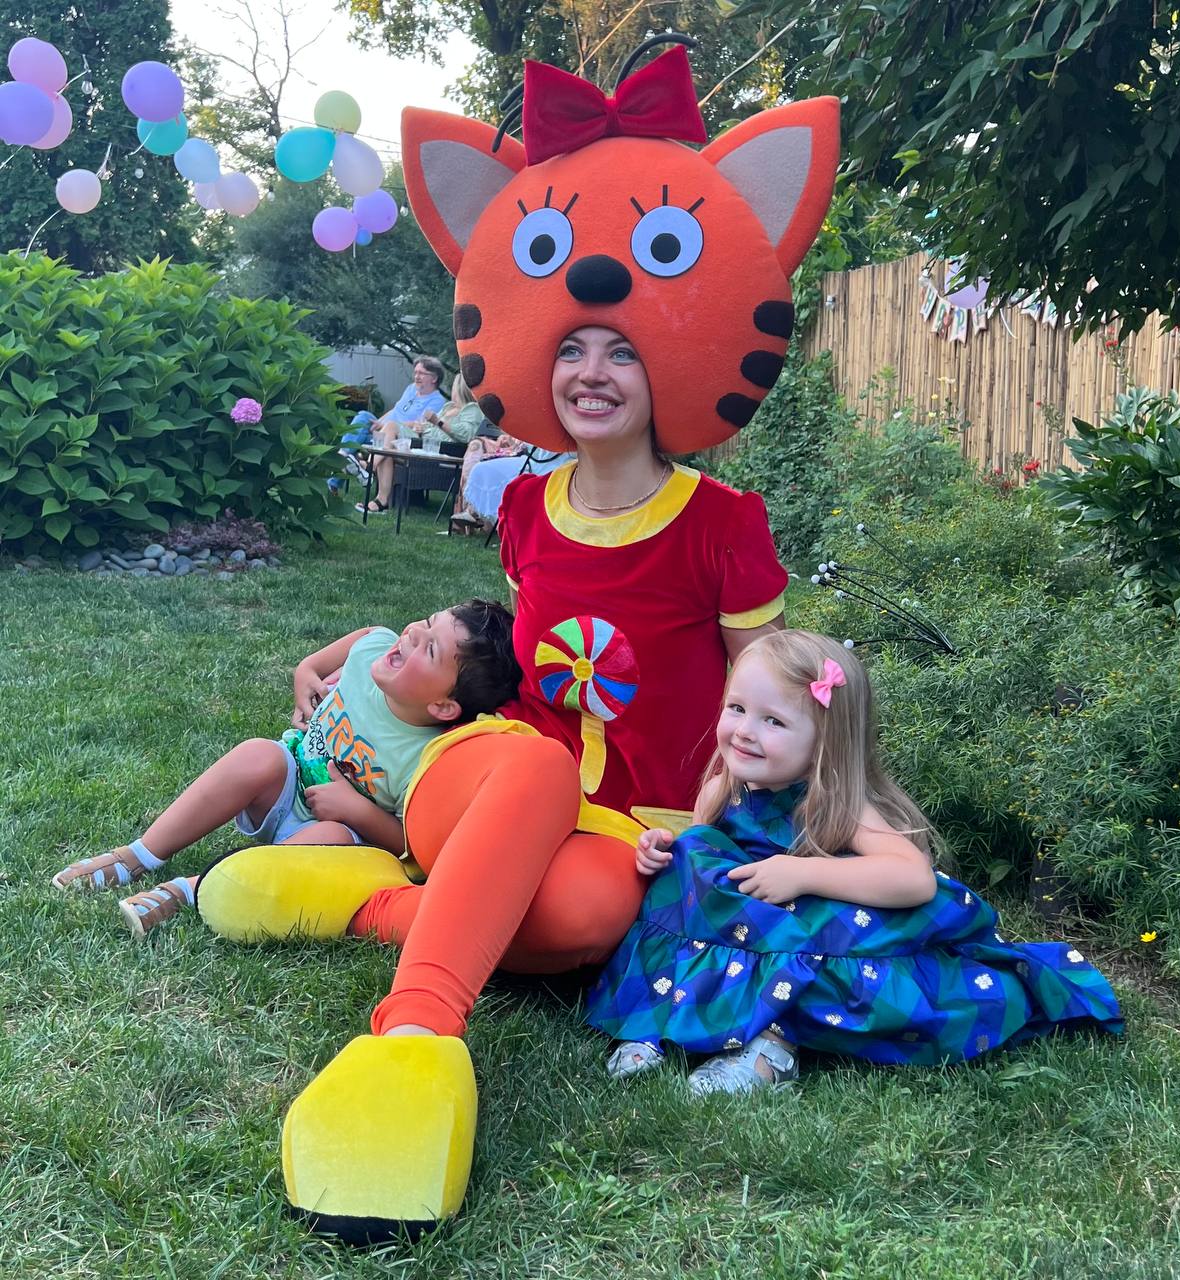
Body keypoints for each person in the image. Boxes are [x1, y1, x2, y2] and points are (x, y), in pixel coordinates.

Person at [194, 43, 843, 1241]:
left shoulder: (722, 523)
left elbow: (771, 694)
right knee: (536, 762)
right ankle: (414, 1033)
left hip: (643, 824)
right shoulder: (523, 507)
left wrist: (722, 822)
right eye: (574, 348)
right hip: (498, 772)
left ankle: (366, 894)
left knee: (582, 922)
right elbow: (506, 665)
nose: (594, 371)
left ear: (672, 360)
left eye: (625, 349)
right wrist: (356, 652)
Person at [585, 631, 1124, 1093]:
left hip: (823, 922)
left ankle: (772, 1048)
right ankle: (658, 1021)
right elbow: (704, 854)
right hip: (748, 921)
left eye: (773, 720)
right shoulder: (726, 787)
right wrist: (663, 846)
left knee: (806, 933)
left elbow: (913, 879)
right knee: (690, 861)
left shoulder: (840, 803)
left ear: (825, 743)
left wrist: (804, 873)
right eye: (737, 708)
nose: (745, 730)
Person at [52, 600, 520, 937]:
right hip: (287, 780)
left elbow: (414, 845)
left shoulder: (430, 757)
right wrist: (305, 674)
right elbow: (337, 653)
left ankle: (192, 888)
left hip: (338, 838)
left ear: (442, 707)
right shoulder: (371, 647)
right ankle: (140, 854)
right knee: (258, 751)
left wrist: (354, 811)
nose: (412, 634)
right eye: (425, 622)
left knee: (334, 835)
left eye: (431, 649)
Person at [356, 355, 450, 515]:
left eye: (421, 373)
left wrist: (389, 426)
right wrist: (380, 423)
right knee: (365, 418)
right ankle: (381, 501)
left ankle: (368, 466)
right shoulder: (411, 389)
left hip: (411, 441)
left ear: (434, 378)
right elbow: (395, 410)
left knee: (389, 433)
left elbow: (419, 425)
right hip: (390, 437)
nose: (416, 377)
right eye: (415, 372)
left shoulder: (437, 401)